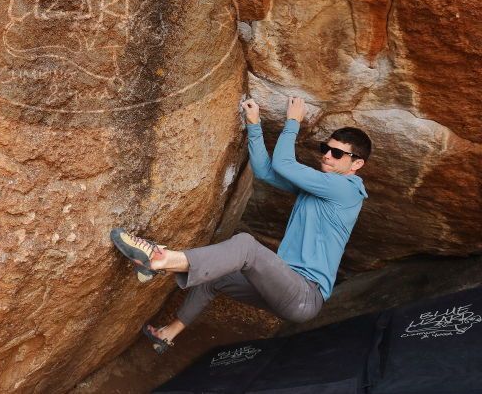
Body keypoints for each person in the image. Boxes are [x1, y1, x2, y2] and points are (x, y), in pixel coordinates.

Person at [110, 96, 371, 353]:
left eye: (337, 153)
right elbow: (266, 171)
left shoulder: (347, 190)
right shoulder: (320, 187)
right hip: (282, 285)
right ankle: (168, 334)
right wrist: (254, 125)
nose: (327, 156)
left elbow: (284, 163)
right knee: (216, 272)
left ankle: (160, 259)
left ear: (357, 164)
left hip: (304, 294)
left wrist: (293, 122)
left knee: (245, 246)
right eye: (325, 149)